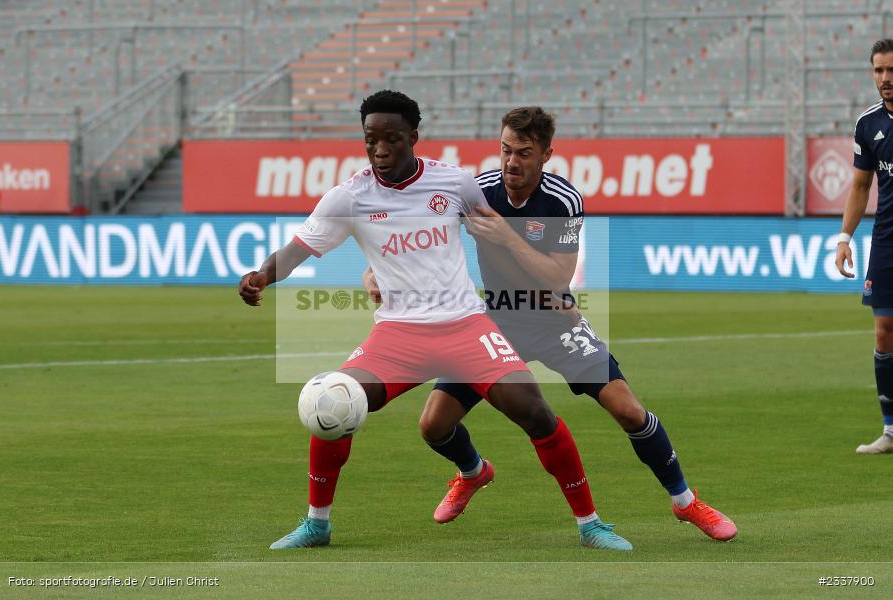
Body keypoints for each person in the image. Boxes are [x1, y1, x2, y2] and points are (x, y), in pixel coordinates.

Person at [238, 90, 632, 551]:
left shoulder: (455, 184)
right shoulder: (349, 197)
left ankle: (590, 523)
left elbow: (501, 235)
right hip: (397, 334)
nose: (381, 150)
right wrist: (264, 274)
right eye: (371, 140)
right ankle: (316, 524)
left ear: (413, 137)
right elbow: (296, 250)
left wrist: (551, 290)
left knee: (535, 411)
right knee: (334, 403)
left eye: (392, 139)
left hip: (466, 325)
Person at [366, 106, 737, 541]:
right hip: (494, 323)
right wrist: (377, 271)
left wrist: (506, 235)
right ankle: (472, 472)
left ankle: (686, 503)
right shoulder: (478, 190)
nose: (511, 162)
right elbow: (413, 237)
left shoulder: (563, 200)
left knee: (629, 411)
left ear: (545, 155)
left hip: (556, 321)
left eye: (524, 153)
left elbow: (558, 279)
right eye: (505, 150)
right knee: (433, 425)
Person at [835, 38, 893, 454]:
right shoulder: (868, 124)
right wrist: (844, 238)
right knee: (884, 331)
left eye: (891, 70)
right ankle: (891, 431)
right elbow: (860, 185)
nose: (886, 79)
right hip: (887, 241)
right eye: (879, 71)